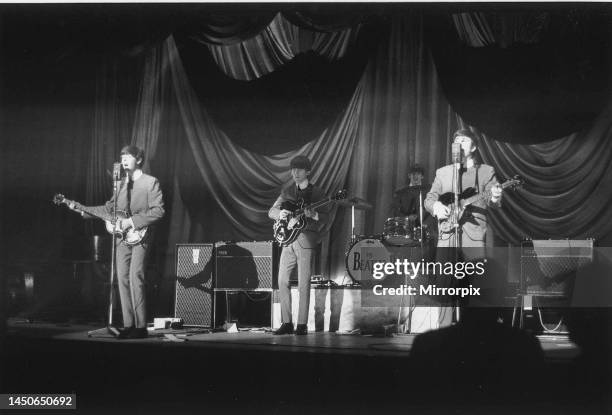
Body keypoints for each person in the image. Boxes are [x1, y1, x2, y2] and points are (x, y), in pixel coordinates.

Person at [71, 145, 165, 339]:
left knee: (135, 277)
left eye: (127, 156)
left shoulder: (150, 182)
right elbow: (110, 209)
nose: (123, 160)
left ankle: (140, 326)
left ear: (138, 159)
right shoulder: (121, 184)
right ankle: (128, 324)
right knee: (121, 278)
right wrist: (83, 210)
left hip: (141, 236)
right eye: (121, 156)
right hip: (122, 238)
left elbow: (158, 211)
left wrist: (131, 221)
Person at [268, 155, 329, 335]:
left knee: (304, 283)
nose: (295, 172)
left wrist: (313, 215)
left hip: (306, 239)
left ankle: (301, 324)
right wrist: (282, 213)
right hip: (287, 240)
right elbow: (271, 211)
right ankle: (287, 323)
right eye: (293, 169)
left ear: (308, 171)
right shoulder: (287, 191)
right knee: (282, 280)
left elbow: (325, 218)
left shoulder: (317, 193)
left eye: (299, 169)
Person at [425, 129, 503, 250]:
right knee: (445, 269)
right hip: (447, 235)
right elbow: (429, 200)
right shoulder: (442, 172)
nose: (459, 143)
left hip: (473, 237)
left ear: (473, 148)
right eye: (456, 140)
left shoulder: (486, 171)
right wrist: (436, 206)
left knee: (472, 268)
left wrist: (495, 196)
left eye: (463, 140)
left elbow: (492, 202)